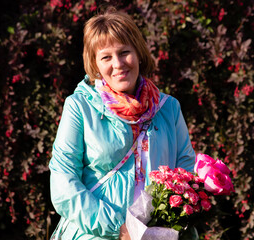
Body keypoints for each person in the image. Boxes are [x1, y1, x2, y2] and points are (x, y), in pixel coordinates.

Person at [49, 7, 196, 240]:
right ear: (95, 64)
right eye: (106, 57)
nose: (118, 64)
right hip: (96, 234)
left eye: (124, 52)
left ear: (138, 54)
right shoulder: (79, 107)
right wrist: (118, 229)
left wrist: (163, 226)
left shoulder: (169, 108)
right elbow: (63, 184)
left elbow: (186, 172)